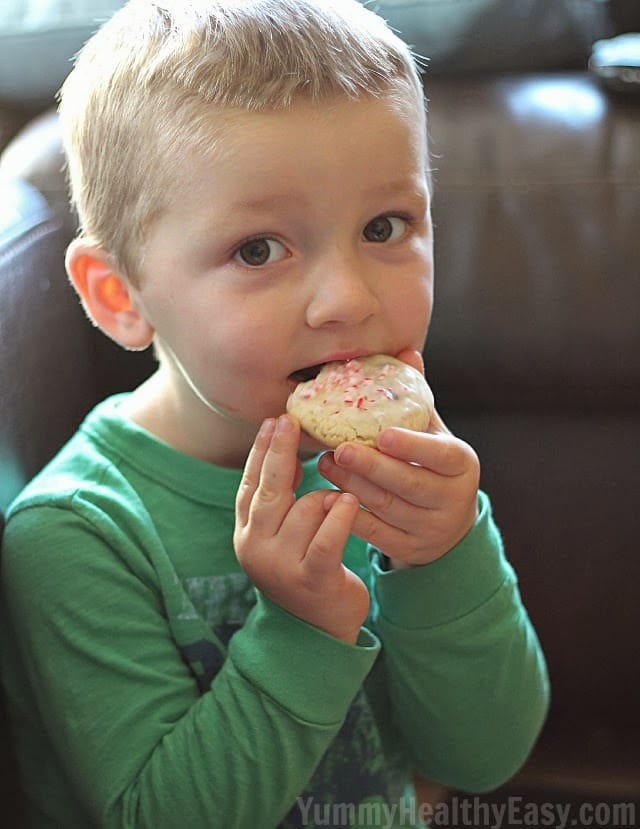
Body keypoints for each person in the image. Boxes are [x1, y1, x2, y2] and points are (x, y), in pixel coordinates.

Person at [0, 1, 549, 826]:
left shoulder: (401, 469)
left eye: (384, 226)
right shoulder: (78, 532)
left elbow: (484, 755)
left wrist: (447, 556)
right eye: (258, 249)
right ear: (120, 295)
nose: (348, 299)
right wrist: (302, 628)